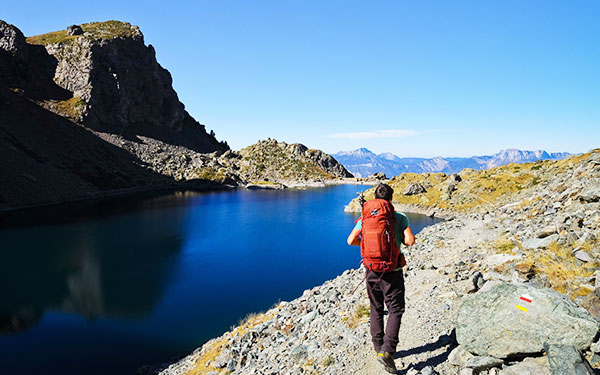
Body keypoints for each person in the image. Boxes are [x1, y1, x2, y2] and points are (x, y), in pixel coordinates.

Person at [347, 183, 415, 373]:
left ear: (376, 198)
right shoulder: (399, 217)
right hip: (392, 271)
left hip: (371, 271)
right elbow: (410, 241)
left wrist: (365, 247)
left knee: (375, 308)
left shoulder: (366, 218)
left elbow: (351, 240)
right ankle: (387, 351)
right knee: (395, 309)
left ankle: (378, 347)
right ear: (391, 199)